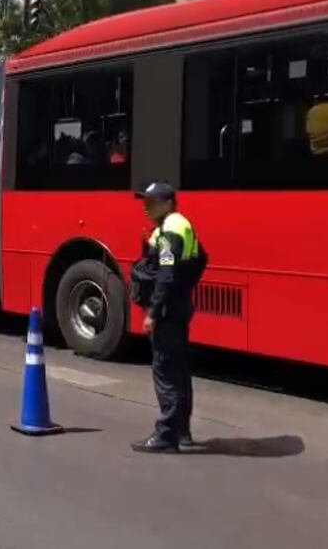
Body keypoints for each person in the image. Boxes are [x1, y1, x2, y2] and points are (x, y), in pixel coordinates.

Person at [130, 182, 207, 454]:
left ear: (167, 203)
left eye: (150, 202)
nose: (145, 206)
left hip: (168, 312)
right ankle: (181, 430)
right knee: (178, 371)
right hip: (178, 306)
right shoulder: (180, 224)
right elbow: (201, 258)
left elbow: (166, 275)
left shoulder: (169, 231)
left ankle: (166, 435)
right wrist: (185, 288)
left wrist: (153, 311)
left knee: (165, 372)